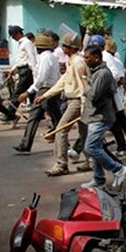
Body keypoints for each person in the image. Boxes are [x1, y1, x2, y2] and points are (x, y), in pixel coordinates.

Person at [35, 32, 89, 177]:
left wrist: (84, 107)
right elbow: (63, 82)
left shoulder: (78, 62)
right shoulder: (71, 61)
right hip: (75, 100)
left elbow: (84, 86)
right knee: (84, 133)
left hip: (78, 101)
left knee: (60, 130)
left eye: (64, 45)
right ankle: (91, 162)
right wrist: (45, 95)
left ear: (70, 48)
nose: (62, 47)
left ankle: (61, 164)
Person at [79, 45, 126, 189]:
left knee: (91, 148)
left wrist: (83, 80)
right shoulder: (95, 71)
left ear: (97, 58)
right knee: (96, 147)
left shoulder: (103, 74)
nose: (85, 60)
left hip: (101, 117)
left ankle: (117, 169)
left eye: (87, 58)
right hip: (93, 116)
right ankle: (99, 178)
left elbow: (93, 95)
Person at [13, 33, 62, 155]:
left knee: (57, 119)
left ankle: (66, 145)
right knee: (34, 117)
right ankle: (25, 145)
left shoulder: (46, 58)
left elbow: (41, 78)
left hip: (46, 90)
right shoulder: (48, 57)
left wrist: (28, 92)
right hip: (45, 89)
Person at [5, 25, 37, 117]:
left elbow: (32, 58)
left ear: (18, 33)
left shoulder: (27, 43)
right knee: (32, 93)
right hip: (22, 70)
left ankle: (9, 114)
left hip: (26, 70)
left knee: (17, 93)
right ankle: (39, 113)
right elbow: (20, 59)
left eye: (14, 36)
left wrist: (35, 73)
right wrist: (13, 70)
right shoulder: (21, 44)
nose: (14, 38)